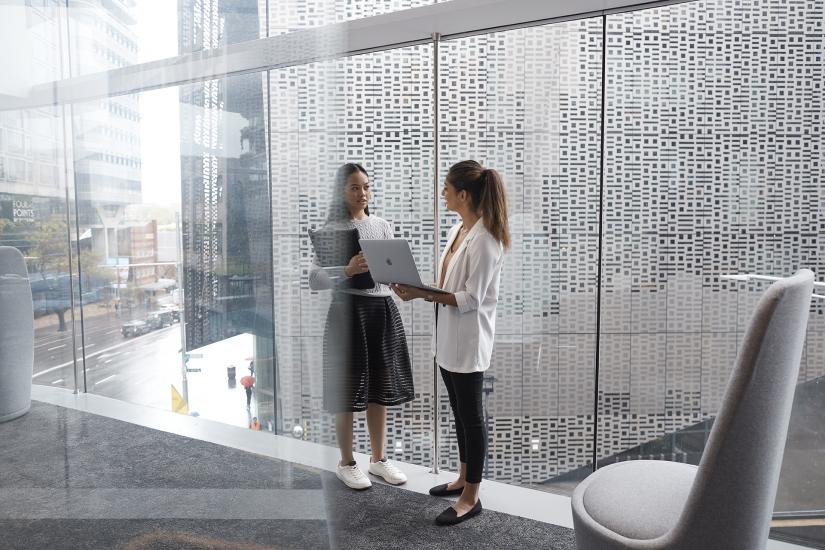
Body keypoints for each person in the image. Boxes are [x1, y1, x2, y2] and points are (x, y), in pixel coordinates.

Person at [392, 160, 509, 526]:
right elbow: (448, 285)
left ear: (464, 195)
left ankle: (471, 496)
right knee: (459, 413)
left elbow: (471, 299)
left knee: (472, 418)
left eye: (446, 188)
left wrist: (421, 294)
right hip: (447, 337)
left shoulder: (486, 240)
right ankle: (462, 478)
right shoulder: (460, 229)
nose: (442, 193)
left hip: (468, 342)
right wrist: (418, 289)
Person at [309, 163, 414, 490]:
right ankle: (347, 462)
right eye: (355, 187)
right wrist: (347, 269)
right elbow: (314, 280)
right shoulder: (331, 230)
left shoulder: (381, 225)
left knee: (379, 389)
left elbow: (392, 269)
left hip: (381, 309)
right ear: (341, 191)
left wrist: (401, 279)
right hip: (348, 313)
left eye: (366, 186)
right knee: (347, 389)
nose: (362, 193)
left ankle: (378, 460)